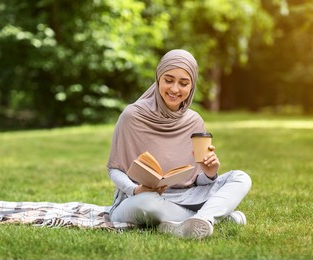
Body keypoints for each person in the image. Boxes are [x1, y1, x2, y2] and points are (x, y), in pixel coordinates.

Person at [107, 49, 252, 239]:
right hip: (139, 198)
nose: (175, 89)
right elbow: (114, 169)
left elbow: (195, 179)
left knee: (241, 178)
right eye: (169, 80)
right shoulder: (132, 116)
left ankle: (196, 220)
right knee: (148, 205)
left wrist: (209, 173)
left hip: (187, 197)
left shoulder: (194, 121)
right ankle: (213, 217)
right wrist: (136, 189)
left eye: (183, 83)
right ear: (159, 79)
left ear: (191, 86)